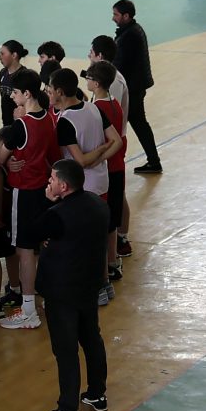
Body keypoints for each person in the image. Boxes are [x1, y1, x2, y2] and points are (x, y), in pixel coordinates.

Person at [29, 160, 109, 411]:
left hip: (61, 291)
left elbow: (32, 232)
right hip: (89, 285)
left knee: (65, 349)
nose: (48, 182)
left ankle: (67, 410)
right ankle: (97, 393)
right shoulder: (97, 204)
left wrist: (46, 203)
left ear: (63, 186)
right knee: (91, 339)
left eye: (52, 179)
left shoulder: (57, 214)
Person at [49, 68, 122, 305]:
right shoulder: (94, 108)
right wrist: (101, 157)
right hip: (101, 181)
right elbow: (116, 141)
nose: (48, 92)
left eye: (50, 89)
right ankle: (105, 282)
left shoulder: (66, 121)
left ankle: (95, 288)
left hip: (82, 189)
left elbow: (79, 161)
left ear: (60, 92)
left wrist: (95, 155)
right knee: (98, 235)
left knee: (84, 240)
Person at [0, 70, 59, 330]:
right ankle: (41, 300)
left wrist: (9, 162)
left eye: (15, 92)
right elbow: (52, 157)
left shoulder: (20, 126)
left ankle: (29, 310)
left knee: (24, 253)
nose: (12, 96)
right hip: (42, 192)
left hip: (22, 193)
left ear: (27, 94)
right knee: (38, 249)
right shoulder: (48, 119)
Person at [84, 61, 127, 285]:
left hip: (108, 169)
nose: (87, 81)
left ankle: (106, 265)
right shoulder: (114, 103)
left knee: (104, 220)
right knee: (112, 220)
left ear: (97, 83)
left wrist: (99, 158)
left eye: (89, 78)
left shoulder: (97, 109)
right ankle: (114, 261)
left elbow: (109, 141)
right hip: (118, 167)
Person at [89, 34, 132, 256]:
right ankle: (118, 240)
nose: (88, 55)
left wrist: (97, 156)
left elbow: (108, 124)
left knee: (115, 196)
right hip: (114, 145)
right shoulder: (111, 87)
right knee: (116, 194)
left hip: (110, 147)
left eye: (91, 52)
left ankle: (120, 240)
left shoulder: (111, 86)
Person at [112, 0, 161, 174]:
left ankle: (112, 164)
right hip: (136, 86)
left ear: (126, 16)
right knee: (139, 124)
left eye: (116, 14)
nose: (113, 18)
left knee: (115, 127)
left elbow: (120, 63)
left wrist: (101, 71)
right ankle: (153, 161)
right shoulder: (132, 30)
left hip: (133, 88)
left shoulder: (129, 35)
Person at [0, 40, 30, 127]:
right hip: (6, 123)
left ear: (14, 55)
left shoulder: (25, 75)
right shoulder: (2, 73)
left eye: (2, 54)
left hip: (20, 123)